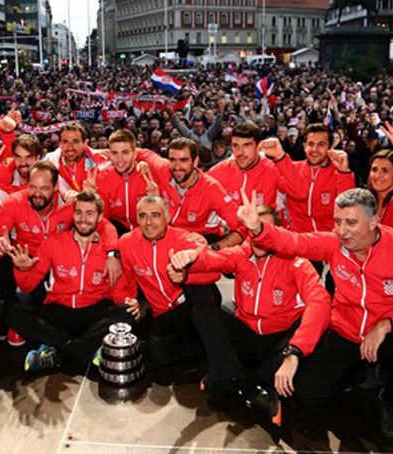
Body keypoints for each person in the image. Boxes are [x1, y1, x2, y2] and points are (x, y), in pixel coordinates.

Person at [236, 187, 393, 439]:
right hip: (344, 332)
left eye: (351, 222)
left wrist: (387, 324)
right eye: (337, 221)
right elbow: (294, 242)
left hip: (387, 336)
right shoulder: (333, 243)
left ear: (373, 221)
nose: (342, 231)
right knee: (306, 394)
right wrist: (258, 228)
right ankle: (361, 371)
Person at [168, 205, 331, 426]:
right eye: (253, 231)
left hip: (278, 342)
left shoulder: (297, 263)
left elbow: (320, 301)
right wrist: (191, 260)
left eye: (264, 231)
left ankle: (249, 380)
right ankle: (238, 379)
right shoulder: (242, 253)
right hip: (247, 335)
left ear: (278, 235)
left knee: (309, 325)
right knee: (203, 311)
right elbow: (214, 260)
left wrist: (294, 352)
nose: (258, 237)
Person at [0, 160, 120, 346]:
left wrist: (113, 254)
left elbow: (105, 225)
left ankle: (57, 337)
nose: (37, 193)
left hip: (57, 261)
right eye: (32, 187)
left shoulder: (71, 203)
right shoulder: (14, 202)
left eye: (44, 188)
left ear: (56, 187)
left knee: (56, 309)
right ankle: (18, 320)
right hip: (25, 259)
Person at [7, 191, 137, 372]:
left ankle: (59, 354)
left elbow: (117, 288)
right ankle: (85, 346)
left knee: (126, 313)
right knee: (14, 312)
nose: (83, 219)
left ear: (100, 217)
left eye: (89, 213)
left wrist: (128, 302)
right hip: (61, 310)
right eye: (79, 212)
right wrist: (22, 269)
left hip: (94, 311)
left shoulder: (109, 252)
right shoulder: (53, 243)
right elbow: (27, 285)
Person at [118, 196, 223, 367]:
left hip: (191, 304)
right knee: (155, 353)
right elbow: (127, 281)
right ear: (137, 218)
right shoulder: (127, 243)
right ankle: (203, 342)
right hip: (163, 312)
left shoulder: (182, 239)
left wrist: (189, 262)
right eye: (143, 215)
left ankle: (213, 346)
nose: (149, 222)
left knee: (201, 292)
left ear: (167, 217)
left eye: (155, 215)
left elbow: (209, 262)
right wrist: (130, 300)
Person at [149, 138, 245, 248]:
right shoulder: (163, 169)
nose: (177, 167)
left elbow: (241, 227)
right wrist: (141, 163)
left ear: (195, 162)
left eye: (183, 160)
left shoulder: (211, 188)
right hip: (171, 239)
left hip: (203, 240)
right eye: (172, 160)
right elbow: (141, 153)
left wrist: (214, 248)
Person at [259, 124, 355, 233]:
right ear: (304, 146)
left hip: (329, 241)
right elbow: (263, 169)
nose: (315, 149)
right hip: (298, 240)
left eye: (321, 144)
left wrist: (344, 172)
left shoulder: (339, 172)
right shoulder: (291, 169)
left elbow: (348, 208)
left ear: (330, 147)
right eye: (311, 144)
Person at [207, 122, 303, 210]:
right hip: (232, 228)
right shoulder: (220, 171)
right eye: (236, 146)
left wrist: (281, 156)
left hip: (265, 227)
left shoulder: (271, 169)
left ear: (258, 146)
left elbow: (300, 192)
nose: (240, 152)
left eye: (246, 145)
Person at [94, 130, 161, 234]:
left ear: (134, 154)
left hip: (146, 231)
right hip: (117, 233)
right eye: (115, 153)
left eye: (125, 152)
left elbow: (163, 219)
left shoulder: (148, 176)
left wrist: (155, 201)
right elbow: (103, 222)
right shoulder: (102, 179)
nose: (119, 159)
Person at [43, 122, 111, 196]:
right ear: (59, 144)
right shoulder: (50, 161)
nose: (70, 147)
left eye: (75, 142)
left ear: (85, 143)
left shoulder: (102, 160)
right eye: (65, 142)